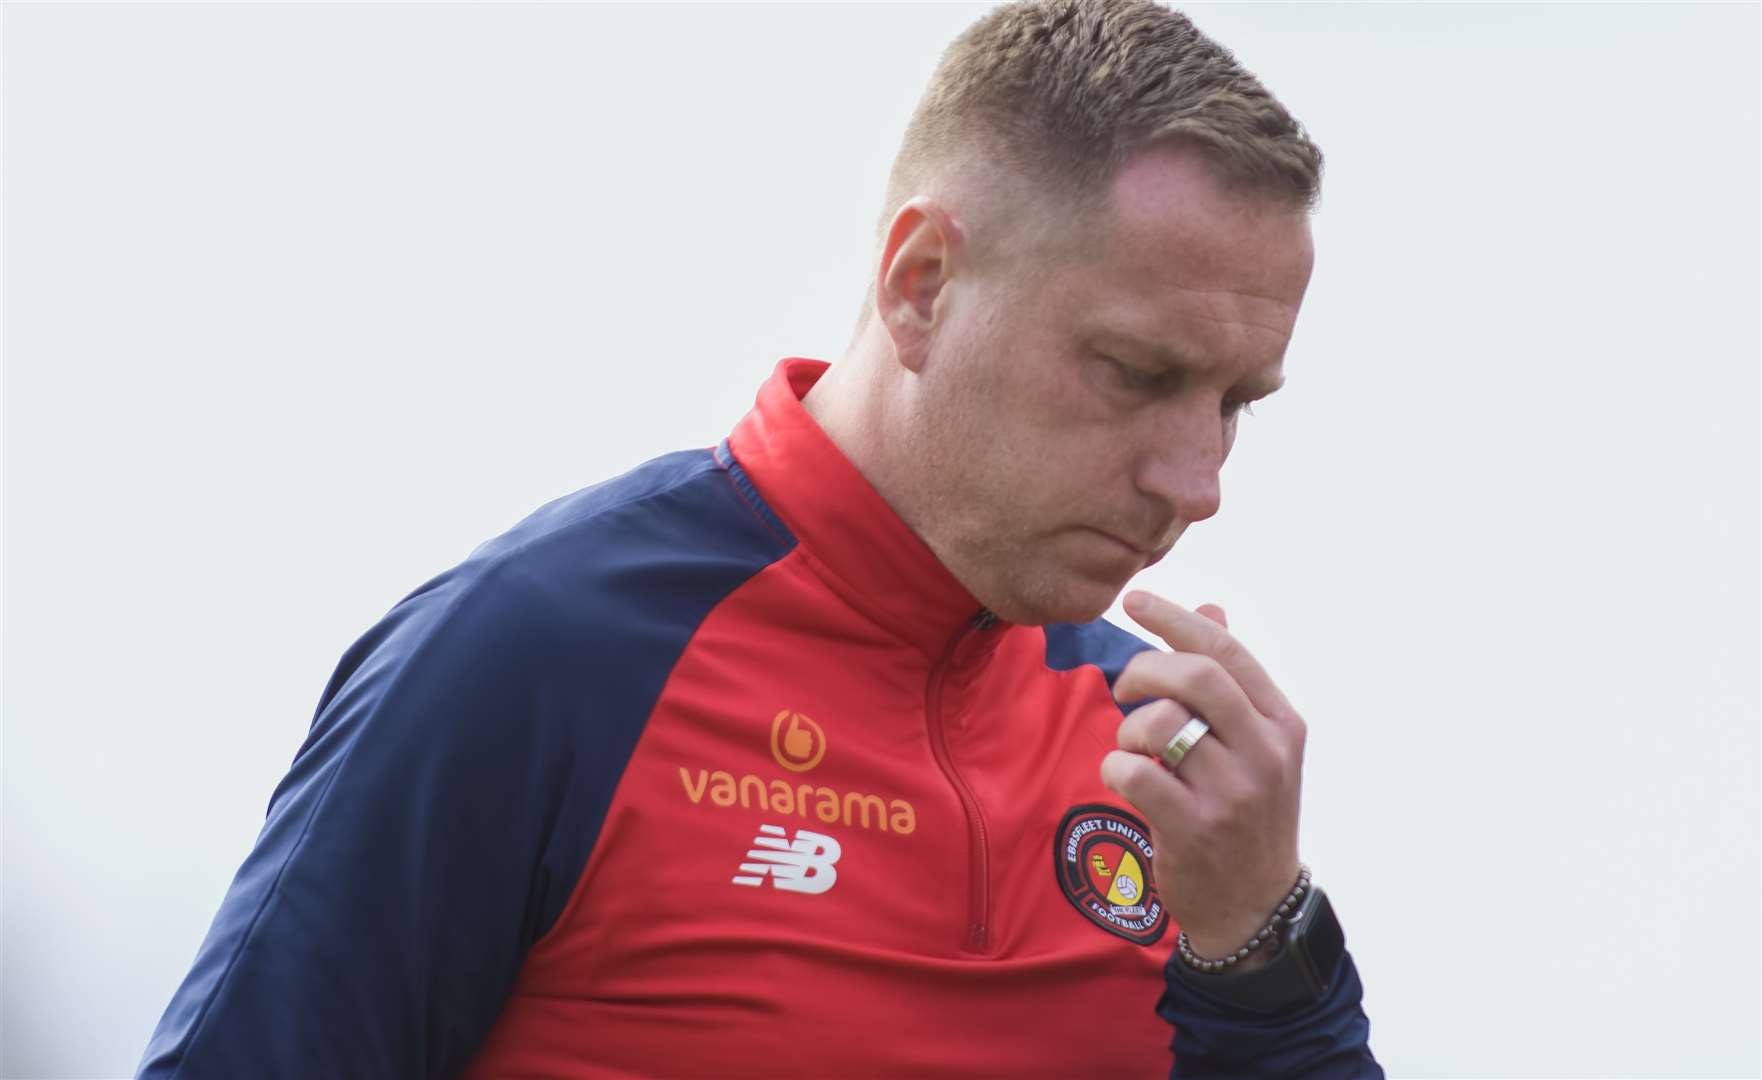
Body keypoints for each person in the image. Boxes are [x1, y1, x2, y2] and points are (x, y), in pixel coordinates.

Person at [137, 1, 1383, 1076]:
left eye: (1234, 403)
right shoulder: (543, 654)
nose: (1198, 481)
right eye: (1132, 371)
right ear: (921, 284)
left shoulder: (1160, 758)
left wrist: (1261, 938)